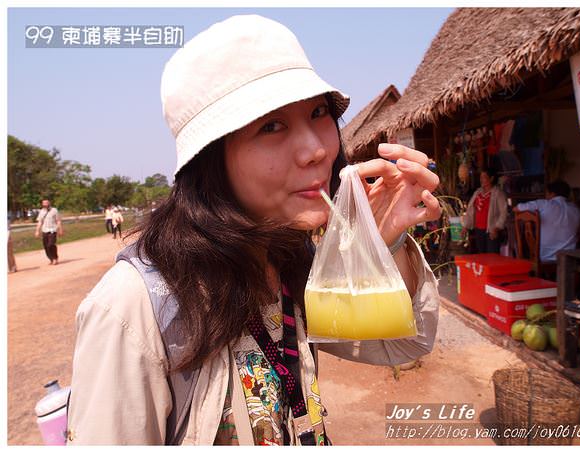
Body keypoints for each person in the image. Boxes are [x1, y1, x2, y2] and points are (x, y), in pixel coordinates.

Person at [66, 15, 442, 446]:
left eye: (318, 113)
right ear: (210, 160)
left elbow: (400, 345)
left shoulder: (290, 260)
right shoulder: (134, 308)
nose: (317, 149)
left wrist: (383, 245)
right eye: (271, 126)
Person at [513, 179, 580, 261]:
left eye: (546, 194)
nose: (546, 196)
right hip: (568, 259)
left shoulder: (544, 204)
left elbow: (516, 208)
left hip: (544, 257)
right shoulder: (576, 210)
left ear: (552, 194)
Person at [462, 168, 508, 253]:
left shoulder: (497, 193)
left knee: (492, 257)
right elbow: (470, 210)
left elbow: (504, 212)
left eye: (484, 177)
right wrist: (466, 226)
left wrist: (497, 228)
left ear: (491, 178)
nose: (481, 180)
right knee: (482, 256)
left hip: (491, 231)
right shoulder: (478, 193)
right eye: (481, 177)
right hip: (478, 230)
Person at [35, 199, 63, 265]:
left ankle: (55, 258)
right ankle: (51, 258)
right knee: (46, 246)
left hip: (52, 230)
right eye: (44, 203)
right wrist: (37, 231)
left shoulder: (54, 210)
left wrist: (60, 229)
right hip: (44, 230)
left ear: (49, 203)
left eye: (46, 203)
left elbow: (58, 221)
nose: (45, 205)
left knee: (51, 245)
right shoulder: (41, 212)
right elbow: (40, 222)